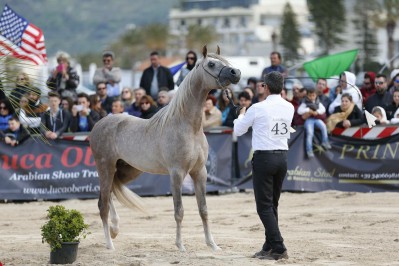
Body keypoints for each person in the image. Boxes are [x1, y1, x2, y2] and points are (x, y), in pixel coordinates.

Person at [233, 71, 293, 260]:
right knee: (272, 204)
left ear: (265, 87)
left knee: (264, 207)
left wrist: (240, 115)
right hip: (282, 157)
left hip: (264, 158)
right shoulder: (289, 107)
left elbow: (239, 130)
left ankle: (278, 246)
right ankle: (268, 245)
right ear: (281, 88)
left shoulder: (257, 108)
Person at [297, 88, 331, 158]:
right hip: (309, 120)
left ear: (316, 95)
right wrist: (308, 110)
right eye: (310, 96)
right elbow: (299, 111)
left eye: (313, 95)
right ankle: (309, 150)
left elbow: (323, 109)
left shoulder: (318, 101)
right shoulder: (305, 102)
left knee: (323, 127)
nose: (312, 97)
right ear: (307, 96)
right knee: (310, 132)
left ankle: (325, 142)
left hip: (316, 118)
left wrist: (317, 112)